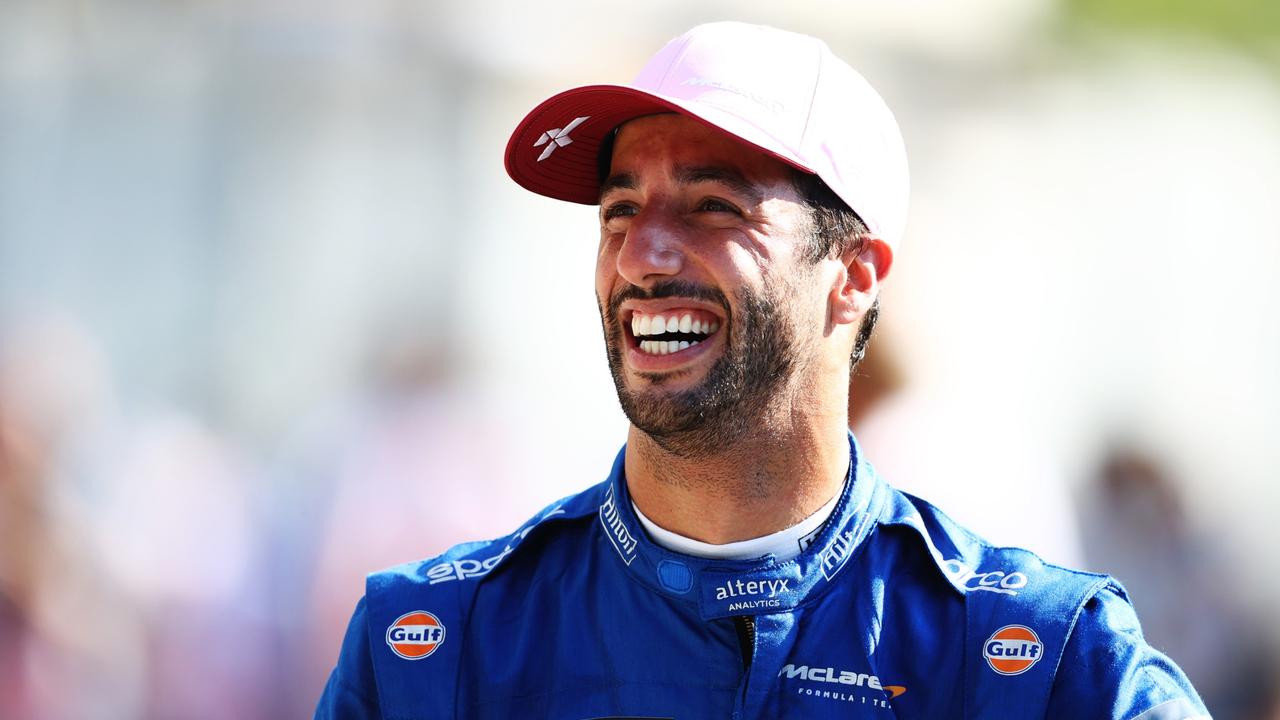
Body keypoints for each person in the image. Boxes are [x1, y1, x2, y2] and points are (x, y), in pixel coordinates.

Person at [315, 22, 1209, 719]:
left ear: (854, 277)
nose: (642, 258)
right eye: (619, 211)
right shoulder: (430, 649)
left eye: (712, 206)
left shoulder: (1038, 660)